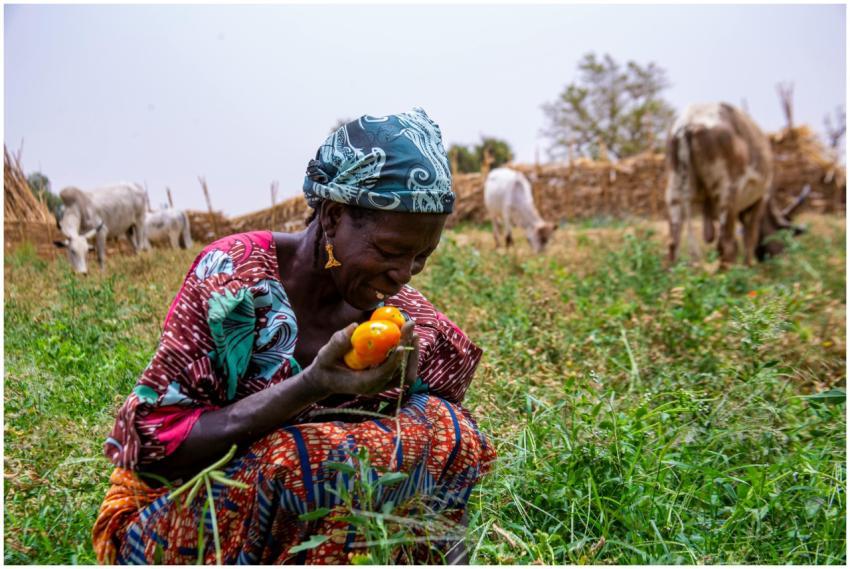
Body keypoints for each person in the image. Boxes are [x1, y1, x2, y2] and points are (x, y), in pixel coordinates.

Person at [92, 108, 495, 564]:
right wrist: (312, 385)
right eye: (389, 251)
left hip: (307, 515)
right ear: (333, 216)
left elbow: (452, 460)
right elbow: (150, 452)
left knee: (451, 430)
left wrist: (409, 392)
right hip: (170, 512)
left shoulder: (405, 319)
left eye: (421, 257)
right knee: (306, 460)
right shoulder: (237, 280)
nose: (402, 274)